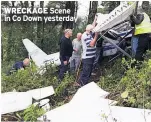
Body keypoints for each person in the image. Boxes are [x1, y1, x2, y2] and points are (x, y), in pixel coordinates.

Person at [78, 16, 98, 86]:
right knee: (86, 72)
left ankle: (83, 83)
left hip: (91, 57)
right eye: (92, 30)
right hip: (87, 58)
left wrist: (95, 19)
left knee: (88, 71)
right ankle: (82, 84)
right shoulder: (85, 35)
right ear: (89, 30)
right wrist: (96, 35)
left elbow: (92, 26)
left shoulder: (89, 33)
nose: (93, 30)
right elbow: (91, 44)